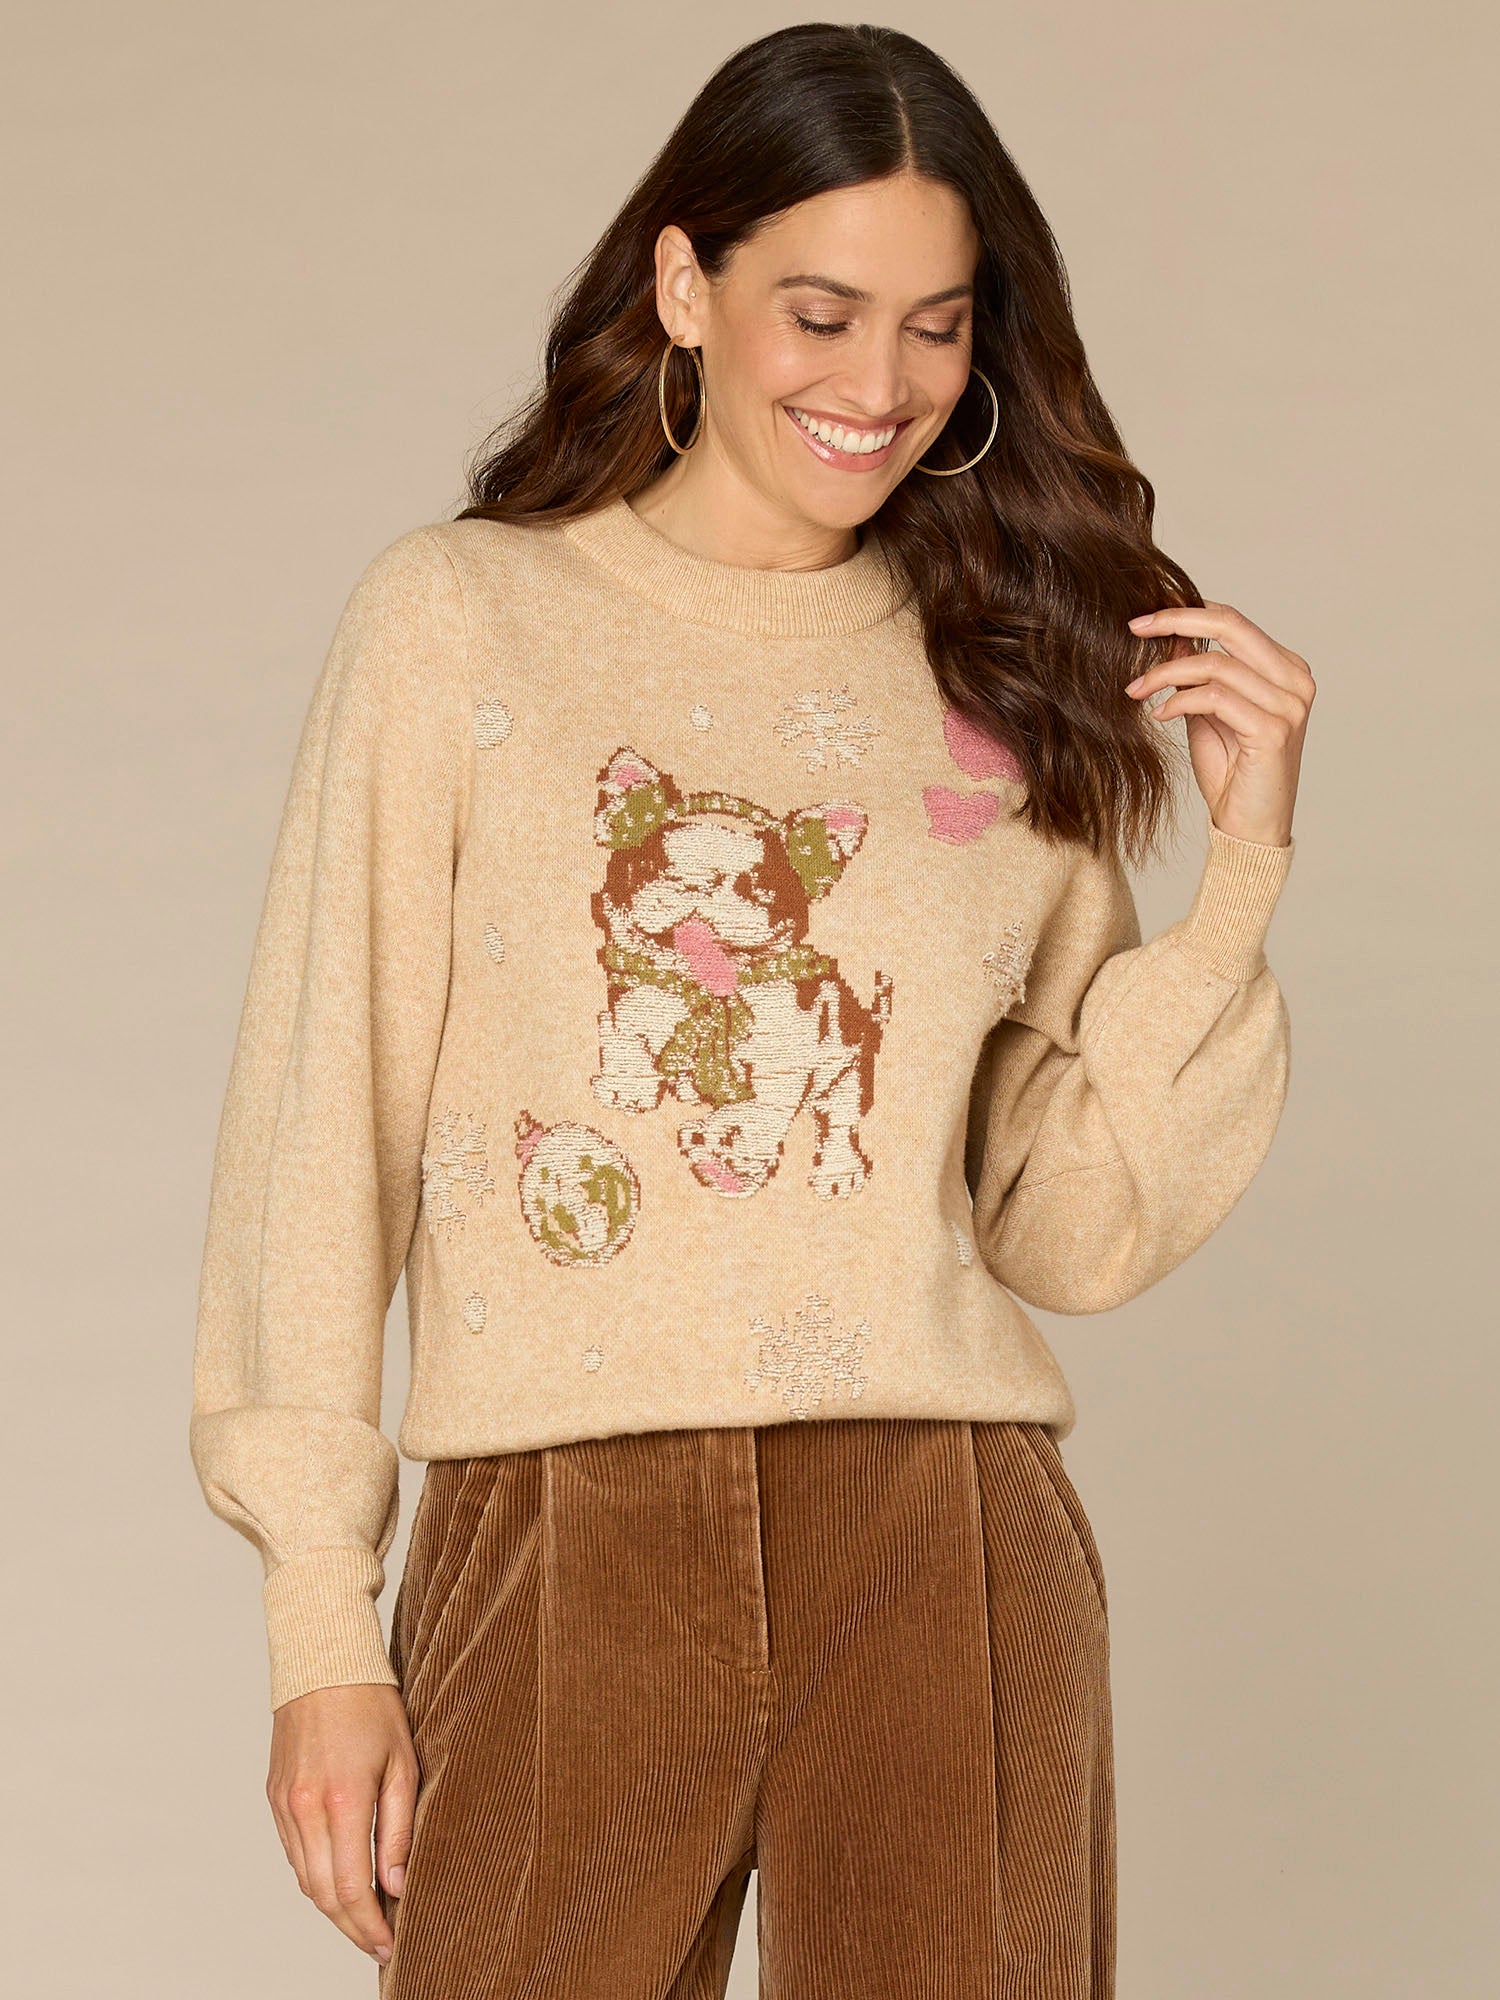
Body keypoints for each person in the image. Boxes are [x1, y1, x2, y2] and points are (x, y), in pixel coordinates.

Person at [189, 22, 1312, 1997]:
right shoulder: (462, 620)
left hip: (941, 1526)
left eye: (937, 327)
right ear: (685, 284)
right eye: (821, 312)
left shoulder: (998, 680)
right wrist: (320, 1629)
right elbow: (319, 1122)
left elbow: (1064, 1228)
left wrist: (1242, 874)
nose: (878, 385)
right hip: (564, 1510)